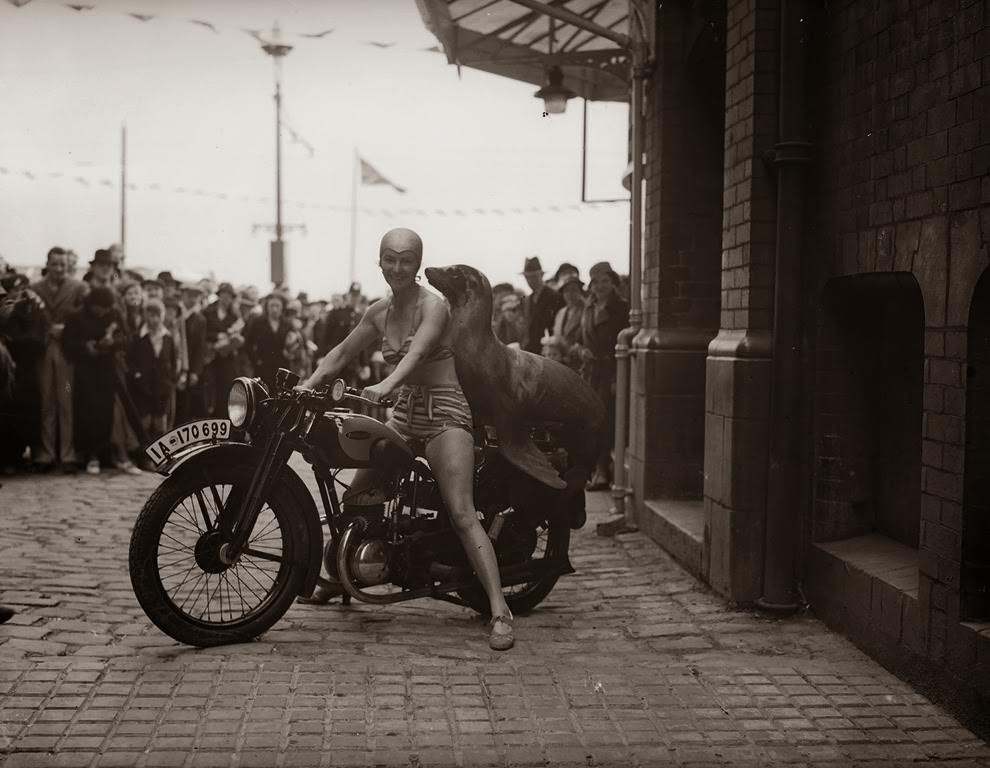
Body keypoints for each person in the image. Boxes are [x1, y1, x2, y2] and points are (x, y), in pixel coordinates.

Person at [298, 227, 515, 651]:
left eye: (407, 259)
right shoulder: (377, 312)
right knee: (356, 498)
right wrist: (307, 385)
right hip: (403, 415)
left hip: (445, 414)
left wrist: (386, 383)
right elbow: (340, 353)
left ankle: (499, 610)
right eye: (390, 258)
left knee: (461, 511)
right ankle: (340, 577)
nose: (398, 267)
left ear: (418, 264)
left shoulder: (435, 307)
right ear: (379, 261)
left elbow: (416, 355)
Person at [31, 247, 86, 472]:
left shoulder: (78, 288)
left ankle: (67, 454)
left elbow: (84, 317)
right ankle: (46, 454)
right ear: (48, 264)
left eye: (63, 265)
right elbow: (30, 319)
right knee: (46, 402)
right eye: (55, 264)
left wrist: (67, 330)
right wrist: (47, 329)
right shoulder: (35, 288)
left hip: (66, 351)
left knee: (66, 400)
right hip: (44, 349)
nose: (59, 269)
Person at [62, 285, 126, 475]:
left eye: (106, 309)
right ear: (92, 305)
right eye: (100, 308)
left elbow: (125, 337)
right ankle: (89, 454)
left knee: (106, 411)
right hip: (85, 370)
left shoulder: (114, 314)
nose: (103, 312)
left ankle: (104, 454)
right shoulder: (76, 316)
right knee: (87, 411)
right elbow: (68, 342)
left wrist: (112, 343)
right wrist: (86, 347)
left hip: (107, 368)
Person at [577, 261, 629, 491]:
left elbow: (626, 342)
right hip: (591, 372)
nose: (600, 286)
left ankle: (604, 471)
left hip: (611, 371)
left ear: (613, 283)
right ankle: (596, 469)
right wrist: (582, 351)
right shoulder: (588, 308)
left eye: (605, 281)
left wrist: (619, 377)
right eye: (596, 282)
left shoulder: (622, 308)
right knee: (591, 419)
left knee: (606, 421)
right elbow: (578, 340)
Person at [127, 299, 178, 439]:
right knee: (144, 419)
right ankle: (144, 453)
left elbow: (173, 360)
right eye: (151, 315)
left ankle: (159, 454)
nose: (154, 319)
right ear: (145, 316)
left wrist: (171, 379)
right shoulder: (138, 337)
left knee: (160, 420)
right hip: (143, 386)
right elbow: (130, 360)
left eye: (158, 315)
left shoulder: (167, 337)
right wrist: (137, 375)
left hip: (163, 386)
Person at [202, 282, 243, 416]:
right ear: (219, 296)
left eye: (229, 296)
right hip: (211, 357)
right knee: (210, 390)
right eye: (223, 295)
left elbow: (239, 334)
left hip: (227, 358)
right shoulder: (208, 312)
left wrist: (232, 340)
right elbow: (203, 333)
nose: (226, 299)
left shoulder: (234, 316)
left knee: (226, 390)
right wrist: (217, 336)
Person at [243, 293, 292, 387]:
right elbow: (248, 344)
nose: (274, 309)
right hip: (263, 367)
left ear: (282, 308)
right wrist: (256, 360)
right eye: (272, 305)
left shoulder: (287, 324)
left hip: (282, 367)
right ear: (267, 307)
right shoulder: (258, 322)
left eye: (277, 306)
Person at [177, 283, 207, 422]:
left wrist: (195, 371)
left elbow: (200, 347)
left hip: (188, 365)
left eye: (196, 296)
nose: (192, 299)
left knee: (185, 401)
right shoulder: (175, 313)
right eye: (189, 295)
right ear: (182, 295)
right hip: (174, 363)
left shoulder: (200, 319)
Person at [521, 257, 563, 355]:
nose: (530, 280)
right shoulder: (527, 300)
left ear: (541, 275)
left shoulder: (554, 296)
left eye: (534, 276)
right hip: (531, 352)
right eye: (527, 277)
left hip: (550, 352)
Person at [551, 273, 586, 372]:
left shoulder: (586, 310)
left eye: (574, 290)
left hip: (579, 363)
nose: (570, 294)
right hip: (562, 363)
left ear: (580, 291)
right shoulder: (561, 312)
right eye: (566, 291)